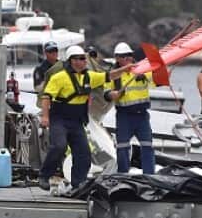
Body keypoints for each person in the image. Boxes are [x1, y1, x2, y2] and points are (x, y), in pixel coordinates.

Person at [38, 47, 128, 191]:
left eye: (84, 58)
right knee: (59, 146)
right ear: (72, 61)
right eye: (80, 58)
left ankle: (77, 183)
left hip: (77, 120)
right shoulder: (59, 78)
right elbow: (46, 97)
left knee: (84, 153)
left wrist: (126, 69)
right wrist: (45, 116)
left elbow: (110, 76)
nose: (83, 61)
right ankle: (44, 176)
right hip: (60, 118)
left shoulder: (90, 77)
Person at [106, 42, 155, 174]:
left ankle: (149, 177)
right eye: (123, 56)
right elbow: (106, 92)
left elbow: (157, 79)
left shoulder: (142, 70)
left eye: (129, 55)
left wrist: (164, 72)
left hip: (142, 116)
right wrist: (112, 94)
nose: (127, 58)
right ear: (117, 58)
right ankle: (123, 175)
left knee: (147, 146)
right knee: (122, 148)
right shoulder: (114, 74)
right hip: (124, 116)